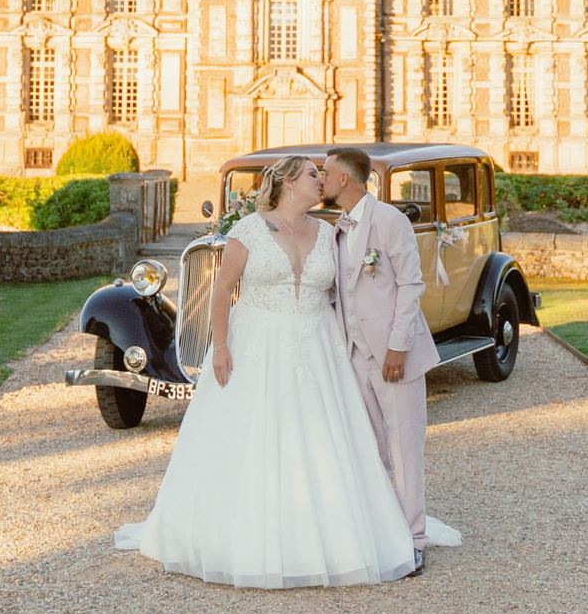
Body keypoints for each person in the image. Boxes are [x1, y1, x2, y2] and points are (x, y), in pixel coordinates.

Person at [115, 154, 418, 588]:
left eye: (324, 174)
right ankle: (243, 535)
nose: (323, 181)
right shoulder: (248, 231)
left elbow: (354, 289)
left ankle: (334, 534)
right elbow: (221, 291)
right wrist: (219, 347)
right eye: (315, 174)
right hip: (255, 343)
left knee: (324, 439)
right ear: (291, 182)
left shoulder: (331, 233)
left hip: (317, 347)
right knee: (252, 436)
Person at [323, 148, 455, 563]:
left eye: (325, 173)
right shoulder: (335, 229)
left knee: (404, 449)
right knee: (372, 448)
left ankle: (414, 541)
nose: (321, 180)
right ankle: (382, 532)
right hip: (355, 354)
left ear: (344, 178)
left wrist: (397, 347)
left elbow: (411, 286)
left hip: (394, 355)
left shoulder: (390, 220)